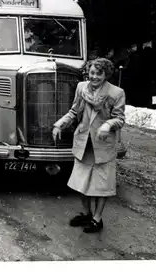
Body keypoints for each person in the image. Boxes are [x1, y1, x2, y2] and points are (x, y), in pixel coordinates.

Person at [52, 58, 126, 233]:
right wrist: (59, 124)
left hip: (103, 146)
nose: (94, 77)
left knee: (102, 185)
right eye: (91, 73)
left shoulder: (116, 93)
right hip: (84, 143)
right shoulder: (81, 88)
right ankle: (86, 213)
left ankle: (97, 219)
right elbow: (74, 111)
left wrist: (107, 125)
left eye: (99, 74)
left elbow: (120, 119)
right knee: (81, 182)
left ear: (106, 74)